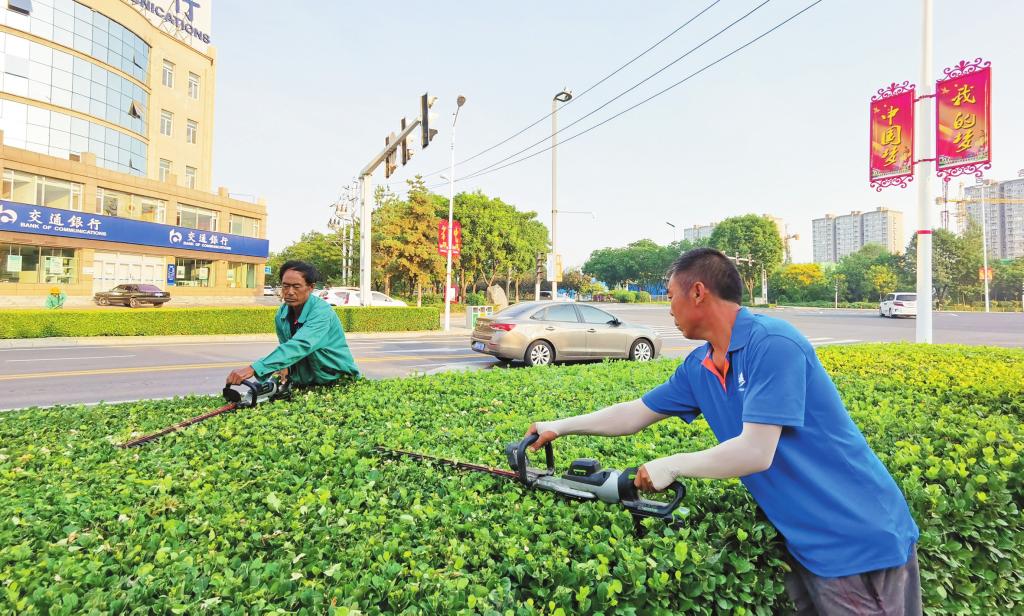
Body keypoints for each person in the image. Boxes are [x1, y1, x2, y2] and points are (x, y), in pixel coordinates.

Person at [525, 248, 921, 615]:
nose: (669, 309)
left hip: (857, 536)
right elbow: (634, 413)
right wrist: (558, 427)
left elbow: (755, 452)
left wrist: (671, 465)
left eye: (670, 296)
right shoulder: (699, 367)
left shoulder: (773, 344)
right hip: (804, 541)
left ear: (698, 292)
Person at [226, 260, 360, 388]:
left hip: (337, 381)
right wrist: (285, 367)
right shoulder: (282, 314)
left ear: (311, 287)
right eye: (285, 286)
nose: (290, 292)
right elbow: (286, 348)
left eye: (296, 287)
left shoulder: (322, 312)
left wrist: (255, 368)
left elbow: (301, 344)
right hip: (305, 383)